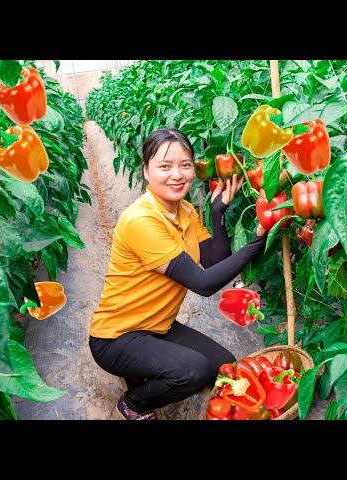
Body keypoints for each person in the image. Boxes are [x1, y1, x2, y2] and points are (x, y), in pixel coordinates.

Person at [89, 128, 268, 420]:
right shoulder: (140, 220)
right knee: (193, 371)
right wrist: (257, 243)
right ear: (146, 171)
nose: (178, 174)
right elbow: (204, 284)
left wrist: (217, 212)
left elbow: (213, 261)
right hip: (116, 338)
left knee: (224, 364)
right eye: (165, 166)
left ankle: (147, 373)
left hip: (158, 327)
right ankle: (133, 403)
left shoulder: (184, 211)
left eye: (185, 165)